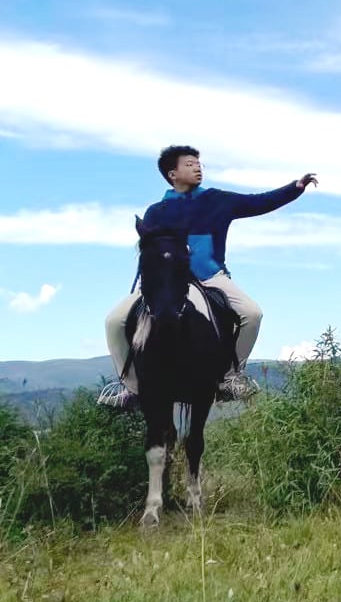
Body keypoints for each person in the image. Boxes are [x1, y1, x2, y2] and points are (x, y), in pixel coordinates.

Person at [99, 146, 318, 409]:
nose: (198, 167)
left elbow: (258, 202)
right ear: (173, 174)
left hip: (210, 276)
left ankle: (229, 379)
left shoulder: (217, 200)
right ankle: (132, 388)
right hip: (166, 283)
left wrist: (295, 187)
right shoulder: (156, 212)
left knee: (252, 314)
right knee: (114, 321)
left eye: (198, 164)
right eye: (190, 164)